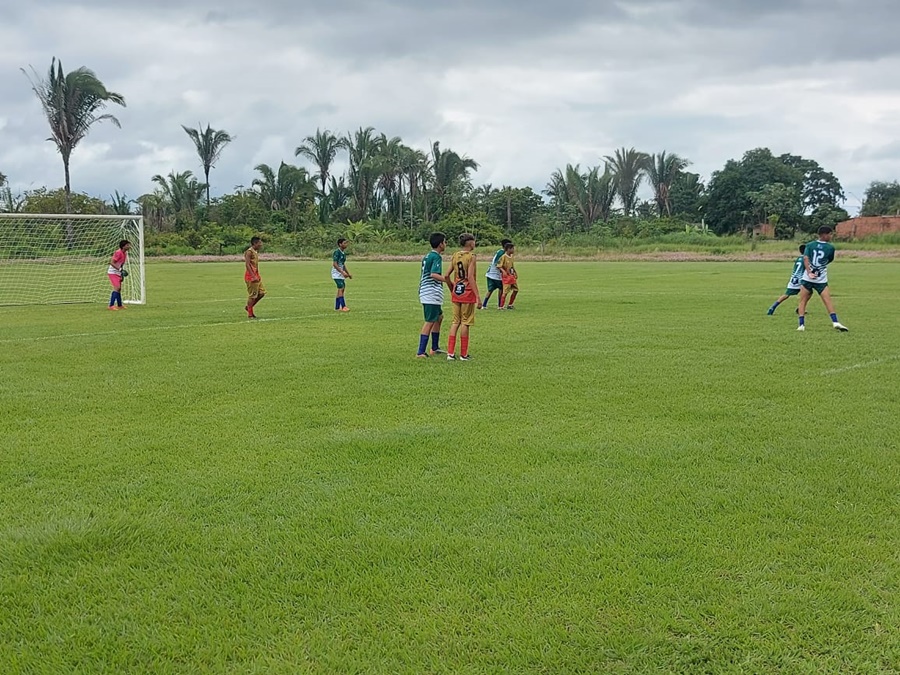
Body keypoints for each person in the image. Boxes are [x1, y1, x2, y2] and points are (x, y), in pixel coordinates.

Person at [797, 226, 849, 332]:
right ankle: (835, 322)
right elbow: (829, 260)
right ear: (824, 234)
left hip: (807, 278)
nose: (831, 236)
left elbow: (805, 258)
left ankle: (801, 325)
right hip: (821, 279)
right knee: (827, 301)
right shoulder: (830, 248)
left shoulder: (810, 245)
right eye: (830, 234)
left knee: (802, 301)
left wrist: (809, 272)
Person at [446, 232, 479, 361]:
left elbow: (447, 275)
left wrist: (451, 288)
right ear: (470, 243)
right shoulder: (471, 257)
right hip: (467, 293)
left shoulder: (455, 255)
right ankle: (463, 354)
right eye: (474, 241)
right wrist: (478, 297)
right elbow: (470, 277)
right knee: (465, 322)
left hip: (457, 292)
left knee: (455, 322)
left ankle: (450, 353)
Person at [416, 232, 448, 358]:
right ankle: (420, 352)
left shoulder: (427, 255)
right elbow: (434, 274)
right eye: (445, 242)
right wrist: (448, 280)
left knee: (439, 317)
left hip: (427, 290)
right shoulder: (436, 257)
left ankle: (435, 348)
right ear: (440, 244)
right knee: (429, 321)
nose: (445, 244)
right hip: (431, 292)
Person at [767, 244, 806, 315]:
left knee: (786, 294)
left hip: (794, 278)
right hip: (801, 279)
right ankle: (800, 308)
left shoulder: (799, 258)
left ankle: (773, 307)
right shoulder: (805, 259)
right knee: (807, 293)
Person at [481, 238, 512, 309]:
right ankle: (499, 305)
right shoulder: (502, 253)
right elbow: (497, 264)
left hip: (490, 274)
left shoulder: (499, 251)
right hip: (496, 275)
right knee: (501, 289)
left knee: (490, 290)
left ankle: (484, 305)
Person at [244, 236, 265, 319]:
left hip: (257, 276)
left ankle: (249, 307)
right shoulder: (249, 252)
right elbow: (247, 264)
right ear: (255, 243)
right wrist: (253, 276)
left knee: (261, 293)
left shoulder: (255, 252)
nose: (261, 244)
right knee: (253, 295)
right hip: (250, 277)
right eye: (259, 243)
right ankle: (250, 314)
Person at [107, 239, 131, 310]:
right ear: (123, 246)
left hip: (118, 272)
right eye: (127, 245)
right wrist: (120, 270)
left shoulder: (125, 253)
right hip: (112, 272)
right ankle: (111, 305)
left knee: (119, 289)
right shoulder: (118, 252)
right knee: (117, 288)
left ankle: (120, 305)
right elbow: (112, 262)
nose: (129, 246)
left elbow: (121, 264)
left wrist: (121, 273)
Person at [331, 237, 352, 312]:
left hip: (340, 273)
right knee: (341, 288)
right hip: (336, 273)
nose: (346, 244)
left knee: (342, 289)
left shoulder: (343, 253)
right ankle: (343, 306)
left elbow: (343, 264)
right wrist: (342, 272)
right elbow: (335, 264)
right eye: (344, 243)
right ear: (340, 244)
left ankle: (337, 307)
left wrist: (348, 273)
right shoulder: (337, 252)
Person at [497, 241, 518, 310]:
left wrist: (515, 272)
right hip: (506, 277)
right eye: (512, 249)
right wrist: (503, 271)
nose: (513, 250)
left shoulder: (511, 256)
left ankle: (510, 304)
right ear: (508, 249)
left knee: (516, 290)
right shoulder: (503, 257)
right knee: (505, 292)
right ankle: (501, 306)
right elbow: (499, 266)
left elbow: (512, 265)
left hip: (512, 276)